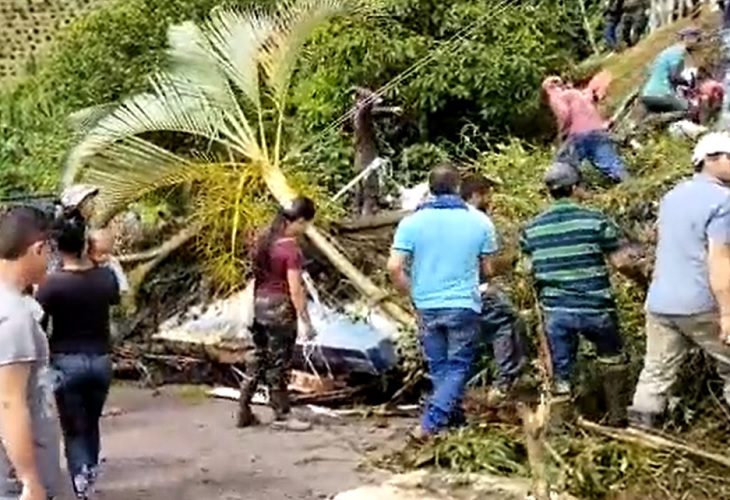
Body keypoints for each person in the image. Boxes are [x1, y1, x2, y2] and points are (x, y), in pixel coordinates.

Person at [520, 162, 638, 426]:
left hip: (556, 311)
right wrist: (642, 281)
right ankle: (617, 417)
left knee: (562, 372)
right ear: (574, 188)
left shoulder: (532, 228)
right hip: (596, 306)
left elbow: (527, 269)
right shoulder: (594, 220)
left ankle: (563, 428)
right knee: (612, 358)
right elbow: (621, 263)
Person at [629, 132, 730, 430]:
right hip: (701, 303)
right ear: (711, 160)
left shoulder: (671, 196)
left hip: (660, 303)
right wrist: (727, 312)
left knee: (656, 374)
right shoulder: (724, 201)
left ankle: (641, 440)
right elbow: (720, 260)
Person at [387, 164, 496, 437]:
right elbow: (489, 270)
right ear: (458, 187)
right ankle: (430, 424)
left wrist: (410, 291)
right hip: (463, 304)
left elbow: (394, 267)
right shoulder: (480, 222)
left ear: (431, 188)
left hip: (426, 305)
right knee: (458, 366)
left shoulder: (411, 222)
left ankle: (454, 420)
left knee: (439, 367)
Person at [35, 217, 119, 499]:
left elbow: (39, 322)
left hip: (65, 361)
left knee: (73, 429)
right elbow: (115, 296)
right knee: (91, 423)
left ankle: (82, 485)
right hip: (101, 360)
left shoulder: (51, 285)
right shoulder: (105, 278)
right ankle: (88, 475)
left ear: (57, 248)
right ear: (85, 243)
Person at [237, 197, 317, 431]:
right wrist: (306, 321)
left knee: (257, 358)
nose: (306, 230)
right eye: (306, 224)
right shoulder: (290, 249)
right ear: (299, 221)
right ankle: (282, 414)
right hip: (280, 309)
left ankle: (243, 408)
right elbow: (295, 289)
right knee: (279, 364)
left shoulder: (264, 241)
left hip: (258, 305)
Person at [0, 207, 60, 500]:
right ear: (38, 249)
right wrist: (30, 480)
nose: (51, 262)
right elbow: (9, 403)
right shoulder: (13, 317)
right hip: (13, 480)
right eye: (49, 252)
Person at [459, 175, 525, 403]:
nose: (491, 200)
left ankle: (459, 391)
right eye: (488, 194)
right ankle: (504, 384)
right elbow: (487, 268)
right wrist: (512, 261)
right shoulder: (478, 220)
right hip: (473, 291)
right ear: (477, 194)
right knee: (507, 322)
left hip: (439, 298)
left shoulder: (438, 219)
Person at [543, 76, 629, 183]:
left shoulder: (556, 95)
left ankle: (568, 187)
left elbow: (564, 114)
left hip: (578, 134)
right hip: (597, 131)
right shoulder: (578, 94)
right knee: (609, 161)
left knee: (565, 162)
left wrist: (562, 133)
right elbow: (590, 107)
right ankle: (627, 183)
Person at [640, 27, 703, 115]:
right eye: (697, 39)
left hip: (647, 95)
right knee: (690, 108)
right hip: (661, 95)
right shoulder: (678, 53)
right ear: (687, 38)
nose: (698, 43)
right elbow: (674, 77)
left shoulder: (668, 52)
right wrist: (689, 83)